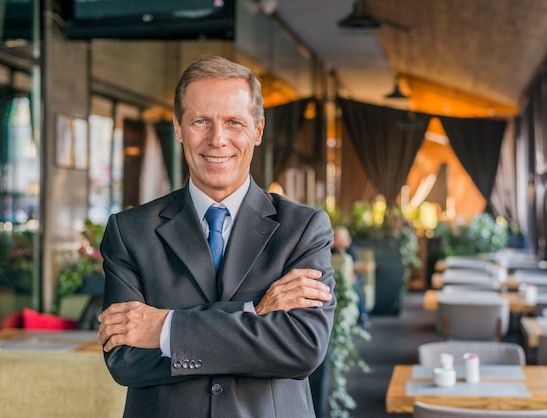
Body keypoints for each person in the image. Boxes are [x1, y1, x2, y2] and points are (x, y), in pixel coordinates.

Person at [96, 56, 336, 418]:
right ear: (178, 127)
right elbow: (125, 358)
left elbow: (302, 347)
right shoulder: (129, 231)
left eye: (234, 122)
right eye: (200, 121)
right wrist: (253, 315)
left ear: (258, 130)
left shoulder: (303, 230)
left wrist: (164, 328)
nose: (217, 139)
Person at [331, 225, 370, 328]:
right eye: (336, 239)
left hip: (353, 278)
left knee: (356, 290)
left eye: (341, 239)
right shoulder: (332, 251)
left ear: (348, 240)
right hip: (336, 279)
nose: (338, 242)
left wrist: (352, 278)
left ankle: (362, 315)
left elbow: (355, 266)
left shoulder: (351, 249)